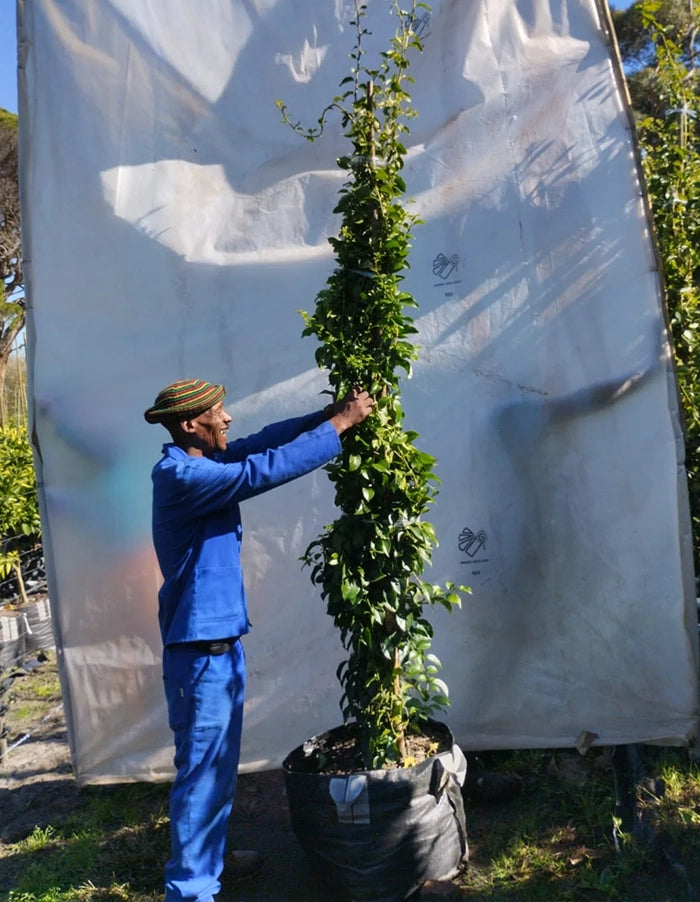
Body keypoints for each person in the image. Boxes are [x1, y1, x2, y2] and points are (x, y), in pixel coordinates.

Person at [144, 378, 373, 902]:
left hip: (221, 649)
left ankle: (211, 861)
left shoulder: (206, 461)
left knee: (219, 772)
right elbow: (260, 470)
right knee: (201, 778)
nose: (227, 420)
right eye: (217, 413)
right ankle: (191, 892)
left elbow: (264, 442)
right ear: (189, 425)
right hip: (200, 657)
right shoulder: (181, 475)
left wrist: (325, 416)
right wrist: (342, 425)